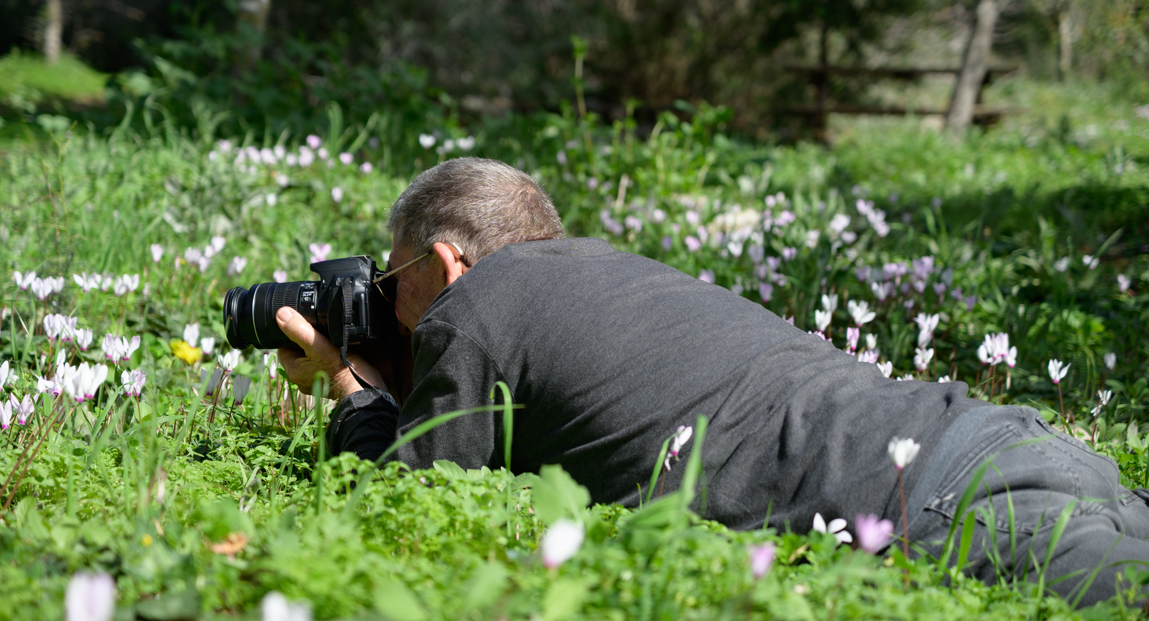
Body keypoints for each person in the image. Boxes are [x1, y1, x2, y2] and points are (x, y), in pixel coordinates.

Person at [276, 157, 1149, 606]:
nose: (394, 311)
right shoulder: (613, 272)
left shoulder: (478, 304)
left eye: (394, 287)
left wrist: (355, 392)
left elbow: (405, 513)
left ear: (444, 260)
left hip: (946, 510)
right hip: (1005, 447)